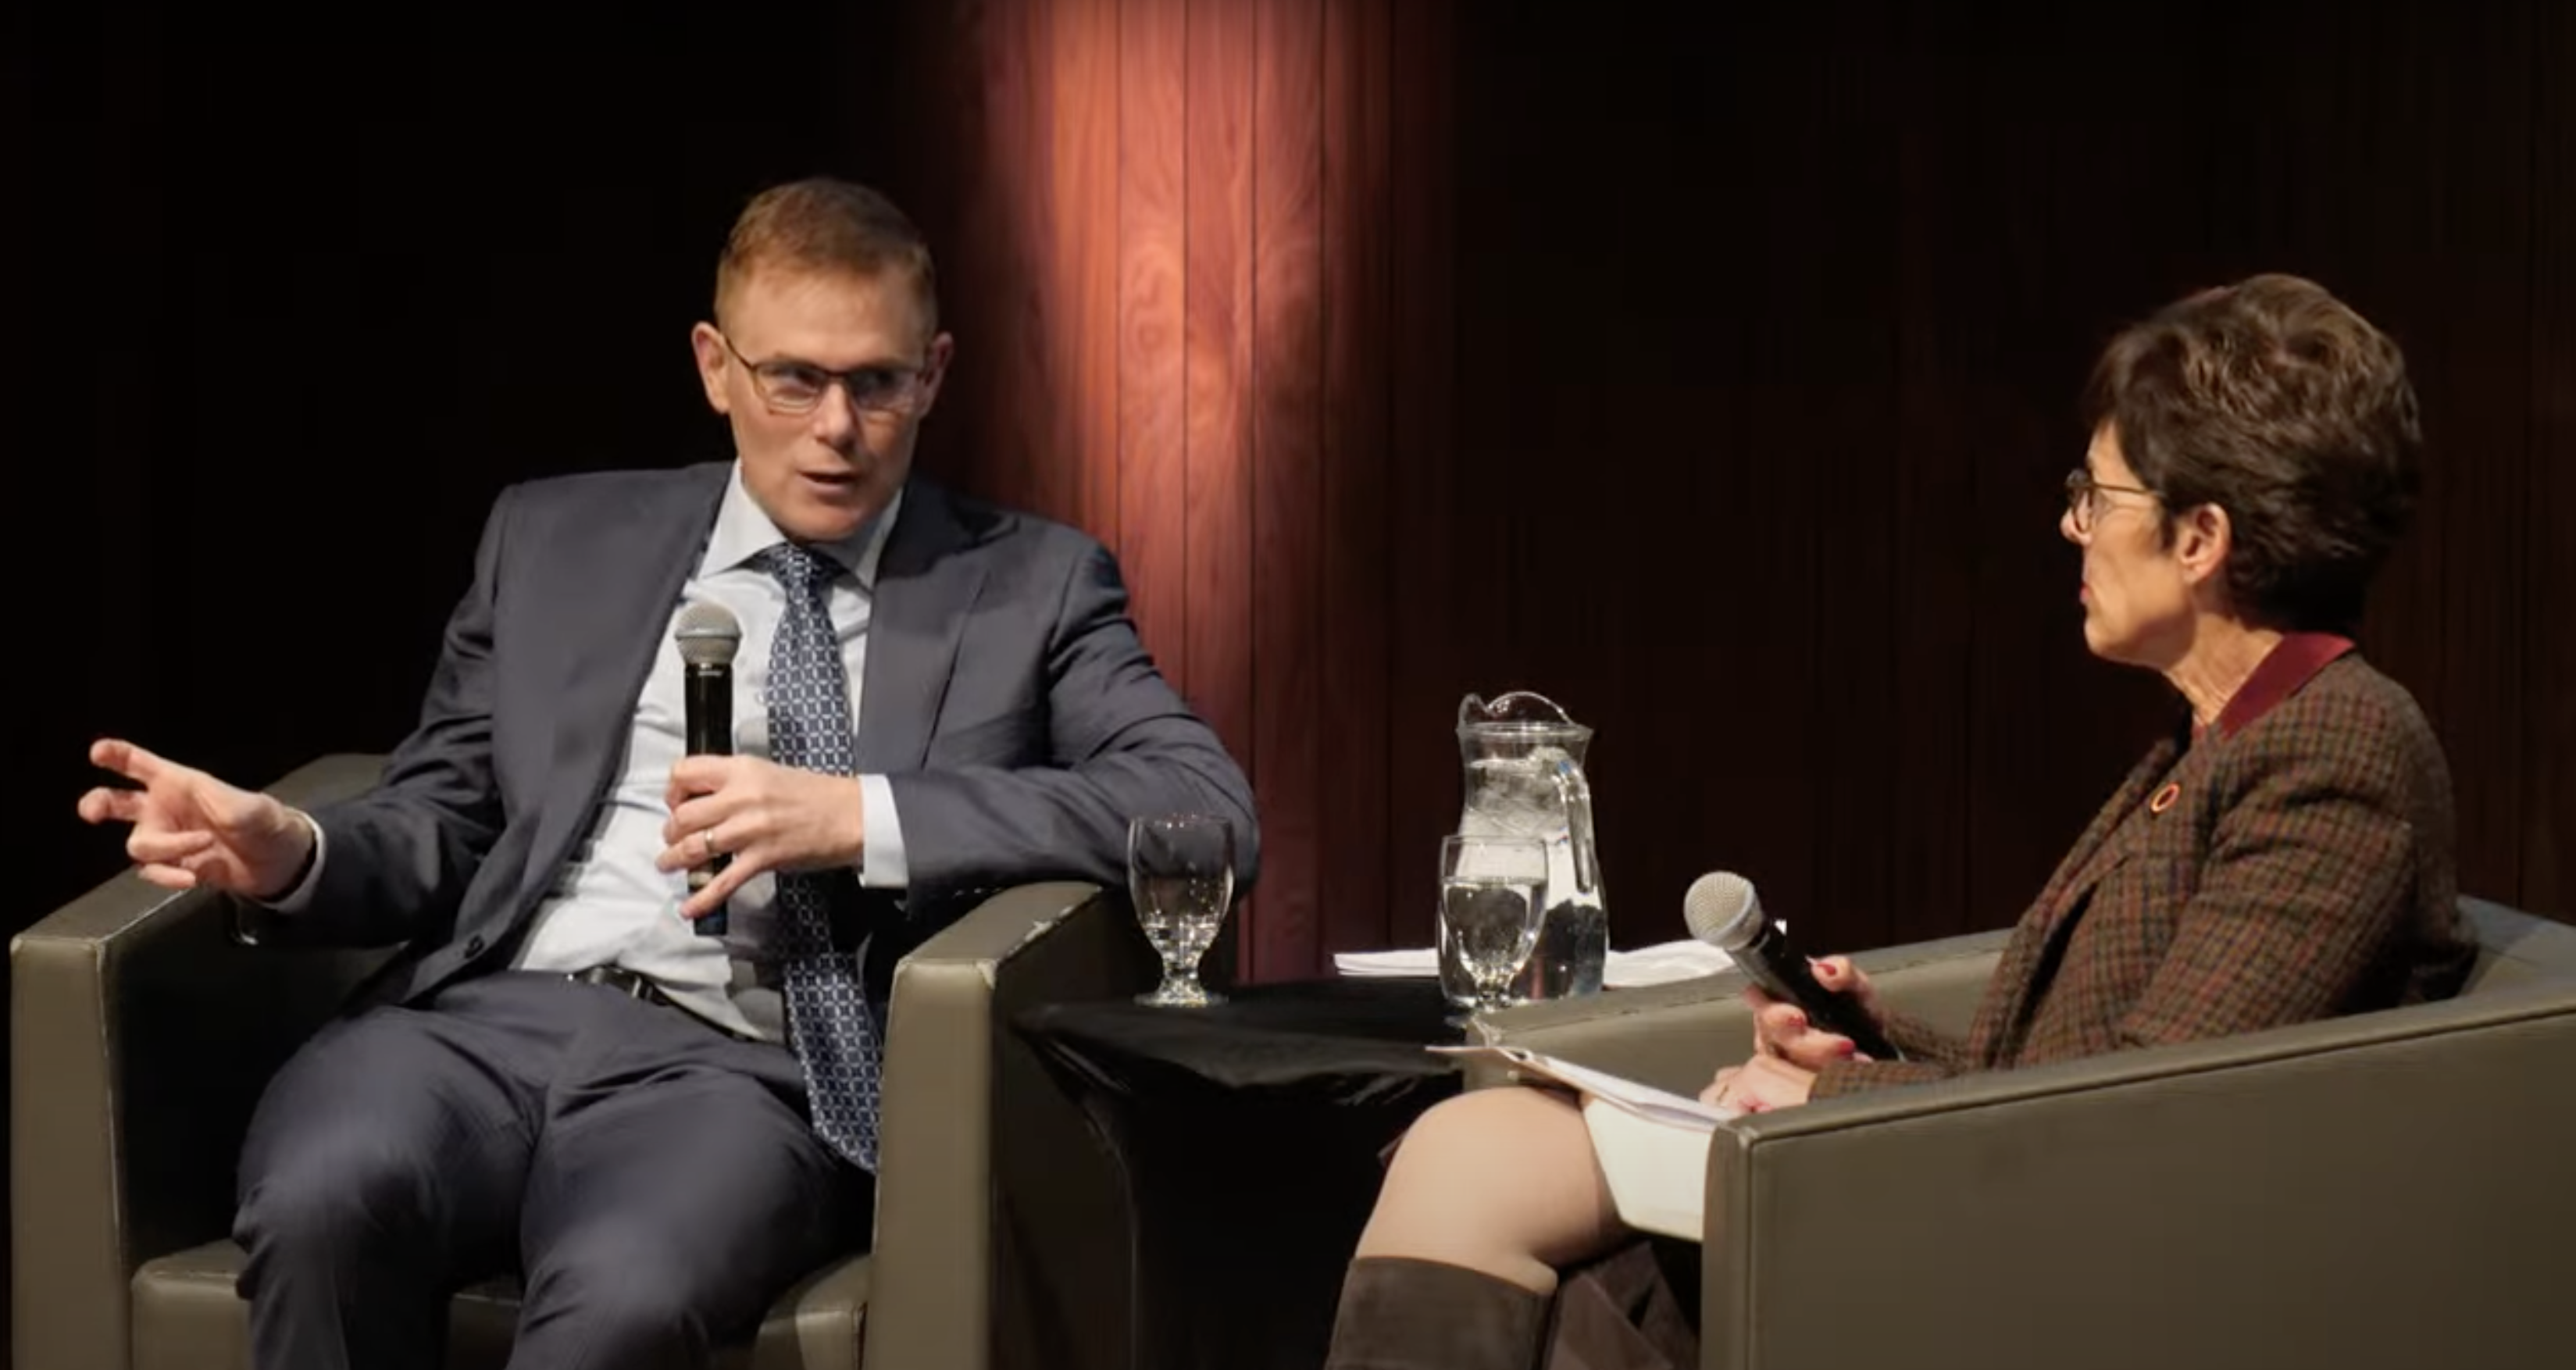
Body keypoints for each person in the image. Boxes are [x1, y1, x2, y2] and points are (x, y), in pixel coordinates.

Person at [74, 176, 1260, 1370]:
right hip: (480, 1025)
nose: (835, 428)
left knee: (624, 1299)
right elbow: (445, 813)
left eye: (876, 383)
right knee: (325, 1196)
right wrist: (297, 850)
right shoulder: (554, 539)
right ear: (715, 367)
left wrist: (858, 815)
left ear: (934, 374)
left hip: (733, 1066)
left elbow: (1202, 812)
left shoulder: (1029, 585)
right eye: (792, 378)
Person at [1318, 273, 2476, 1370]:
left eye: (2098, 496)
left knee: (1527, 1225)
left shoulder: (2336, 751)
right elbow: (2070, 1066)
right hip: (1997, 1208)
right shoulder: (2216, 739)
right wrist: (1872, 1038)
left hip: (2065, 1279)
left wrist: (1834, 1097)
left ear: (2199, 538)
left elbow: (2139, 1115)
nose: (2072, 527)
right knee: (1484, 1171)